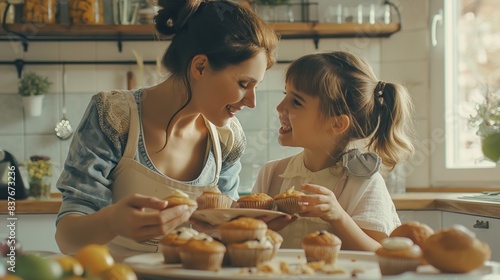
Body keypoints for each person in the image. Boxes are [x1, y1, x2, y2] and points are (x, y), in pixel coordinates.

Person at [55, 0, 279, 259]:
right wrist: (110, 222)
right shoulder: (114, 116)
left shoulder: (228, 138)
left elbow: (224, 237)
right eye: (243, 84)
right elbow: (67, 238)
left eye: (256, 87)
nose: (251, 102)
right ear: (200, 67)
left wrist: (251, 230)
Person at [253, 51, 415, 250]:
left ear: (338, 124)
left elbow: (379, 254)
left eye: (296, 101)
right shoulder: (271, 175)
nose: (280, 107)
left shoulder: (363, 184)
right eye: (285, 94)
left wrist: (338, 216)